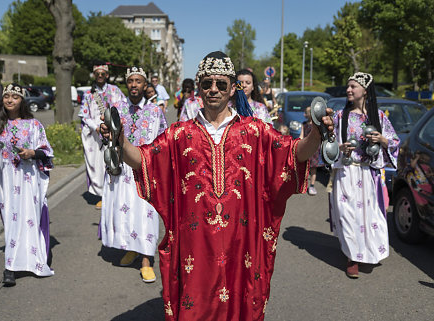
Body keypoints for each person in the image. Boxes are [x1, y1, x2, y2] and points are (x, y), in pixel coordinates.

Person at [101, 51, 333, 320]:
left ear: (233, 88)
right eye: (207, 83)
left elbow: (294, 154)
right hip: (194, 245)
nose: (214, 89)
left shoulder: (255, 131)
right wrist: (120, 142)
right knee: (195, 304)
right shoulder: (179, 134)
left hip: (241, 242)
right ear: (199, 87)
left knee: (240, 301)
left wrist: (316, 134)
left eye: (221, 84)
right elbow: (143, 159)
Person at [0, 83, 55, 286]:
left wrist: (32, 153)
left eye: (15, 96)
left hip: (28, 178)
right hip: (6, 178)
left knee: (30, 217)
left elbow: (46, 151)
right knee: (11, 221)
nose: (10, 100)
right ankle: (11, 267)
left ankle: (34, 260)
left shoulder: (33, 125)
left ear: (22, 101)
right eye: (7, 96)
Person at [100, 66, 167, 283]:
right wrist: (105, 132)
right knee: (125, 211)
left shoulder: (155, 111)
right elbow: (108, 138)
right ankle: (132, 247)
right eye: (131, 81)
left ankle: (146, 260)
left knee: (146, 213)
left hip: (145, 168)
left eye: (138, 81)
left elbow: (163, 140)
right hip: (122, 168)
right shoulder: (116, 108)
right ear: (127, 84)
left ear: (145, 84)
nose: (134, 85)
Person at [329, 72, 399, 278]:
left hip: (368, 174)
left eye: (354, 86)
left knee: (368, 217)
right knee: (347, 215)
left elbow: (395, 142)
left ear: (365, 91)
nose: (349, 90)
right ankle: (352, 257)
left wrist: (383, 140)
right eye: (348, 86)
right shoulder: (341, 116)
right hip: (346, 171)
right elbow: (327, 146)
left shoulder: (379, 118)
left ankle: (368, 251)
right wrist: (340, 149)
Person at [78, 63, 126, 209]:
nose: (100, 76)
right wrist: (96, 127)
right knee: (99, 165)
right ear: (94, 75)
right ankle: (102, 196)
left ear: (107, 75)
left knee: (115, 161)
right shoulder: (89, 93)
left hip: (113, 132)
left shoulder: (114, 90)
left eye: (102, 73)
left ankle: (116, 193)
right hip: (95, 134)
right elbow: (84, 116)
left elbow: (123, 108)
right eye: (97, 73)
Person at [300, 106, 322, 195]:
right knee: (305, 167)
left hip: (315, 149)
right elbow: (301, 135)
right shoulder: (304, 124)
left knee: (313, 168)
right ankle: (303, 185)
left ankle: (312, 186)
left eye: (307, 112)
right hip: (306, 148)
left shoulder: (316, 124)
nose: (305, 114)